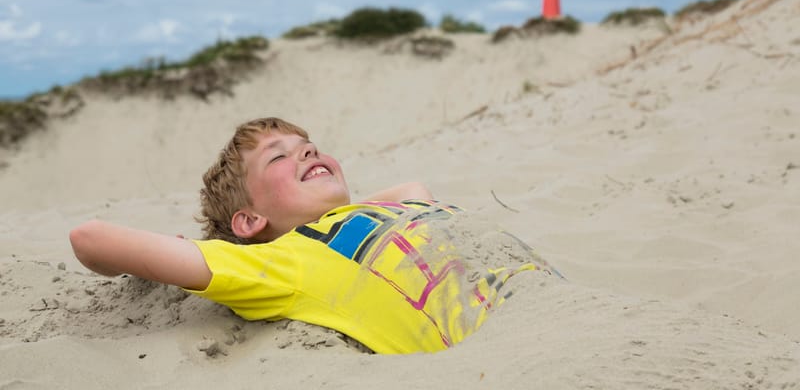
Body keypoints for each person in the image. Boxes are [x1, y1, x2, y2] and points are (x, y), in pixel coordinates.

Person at [70, 117, 544, 354]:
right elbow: (89, 237)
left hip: (554, 300)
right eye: (279, 158)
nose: (308, 151)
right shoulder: (283, 261)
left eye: (308, 147)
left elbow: (413, 189)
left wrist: (341, 206)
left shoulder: (392, 206)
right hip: (509, 349)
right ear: (251, 221)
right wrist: (187, 253)